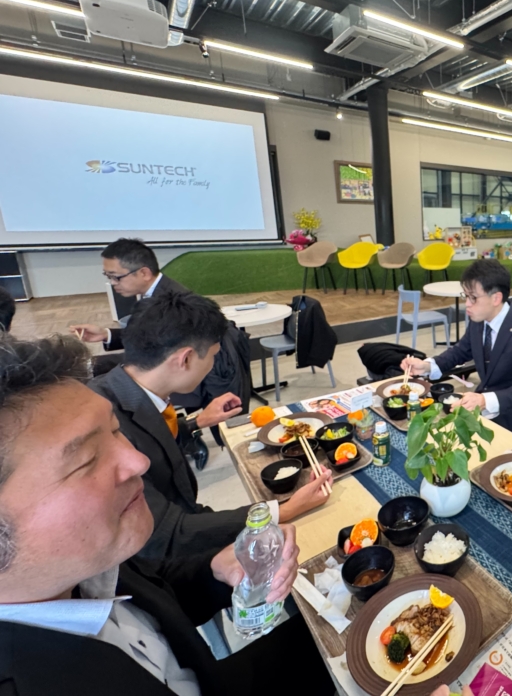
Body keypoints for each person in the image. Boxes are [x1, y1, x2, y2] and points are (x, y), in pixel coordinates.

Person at [0, 334, 336, 695]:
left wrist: (215, 571)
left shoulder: (88, 566)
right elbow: (173, 532)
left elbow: (158, 589)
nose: (138, 461)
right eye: (86, 459)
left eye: (115, 430)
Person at [90, 292, 331, 564]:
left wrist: (198, 421)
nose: (214, 363)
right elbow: (167, 532)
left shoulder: (124, 386)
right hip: (160, 562)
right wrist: (283, 511)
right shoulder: (106, 426)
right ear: (186, 359)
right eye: (214, 355)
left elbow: (153, 443)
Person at [402, 259, 512, 441]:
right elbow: (461, 351)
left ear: (496, 298)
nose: (467, 304)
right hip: (480, 414)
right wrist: (427, 366)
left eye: (473, 298)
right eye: (466, 296)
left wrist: (485, 400)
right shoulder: (479, 320)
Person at [70, 238, 189, 350]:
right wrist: (106, 334)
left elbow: (159, 352)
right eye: (108, 276)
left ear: (144, 273)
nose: (112, 283)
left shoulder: (175, 305)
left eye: (116, 277)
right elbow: (146, 336)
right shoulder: (151, 291)